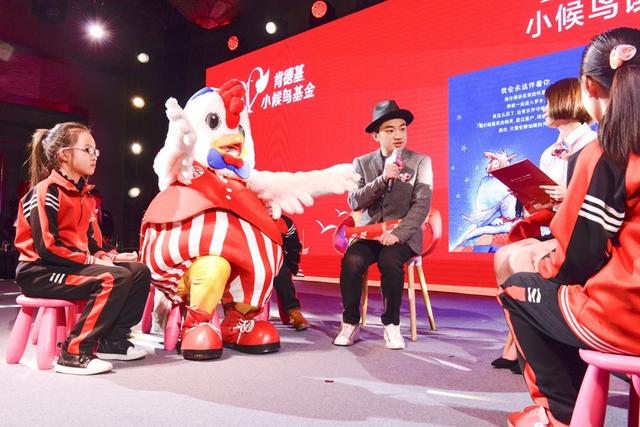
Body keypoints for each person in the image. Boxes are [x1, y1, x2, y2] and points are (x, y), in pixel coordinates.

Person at [499, 27, 640, 426]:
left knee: (518, 289)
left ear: (588, 87)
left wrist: (547, 268)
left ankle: (559, 414)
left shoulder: (608, 150)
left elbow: (578, 256)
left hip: (627, 313)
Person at [14, 122, 150, 375]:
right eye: (88, 150)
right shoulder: (46, 192)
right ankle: (75, 352)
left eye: (96, 151)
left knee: (139, 271)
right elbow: (47, 247)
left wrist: (111, 256)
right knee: (112, 278)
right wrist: (93, 262)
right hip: (40, 271)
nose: (94, 156)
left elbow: (90, 243)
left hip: (70, 265)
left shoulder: (84, 196)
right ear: (64, 155)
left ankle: (114, 341)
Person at [492, 78, 596, 373]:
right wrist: (521, 188)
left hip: (583, 232)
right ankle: (519, 341)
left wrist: (568, 194)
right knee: (503, 256)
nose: (544, 109)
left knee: (523, 258)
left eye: (548, 102)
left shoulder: (595, 146)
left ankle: (539, 347)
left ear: (567, 101)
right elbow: (544, 205)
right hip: (556, 226)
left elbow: (600, 199)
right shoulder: (550, 152)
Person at [333, 100, 433, 350]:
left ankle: (391, 325)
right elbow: (354, 201)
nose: (398, 135)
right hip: (370, 234)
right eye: (390, 130)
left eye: (402, 128)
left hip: (402, 235)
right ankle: (350, 323)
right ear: (376, 135)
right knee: (352, 261)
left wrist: (398, 234)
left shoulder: (421, 161)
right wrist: (382, 179)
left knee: (390, 261)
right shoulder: (362, 162)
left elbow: (421, 205)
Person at [273, 215, 311, 331]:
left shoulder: (284, 221)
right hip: (250, 259)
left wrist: (292, 265)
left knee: (282, 273)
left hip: (275, 259)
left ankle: (294, 313)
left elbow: (293, 246)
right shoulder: (247, 216)